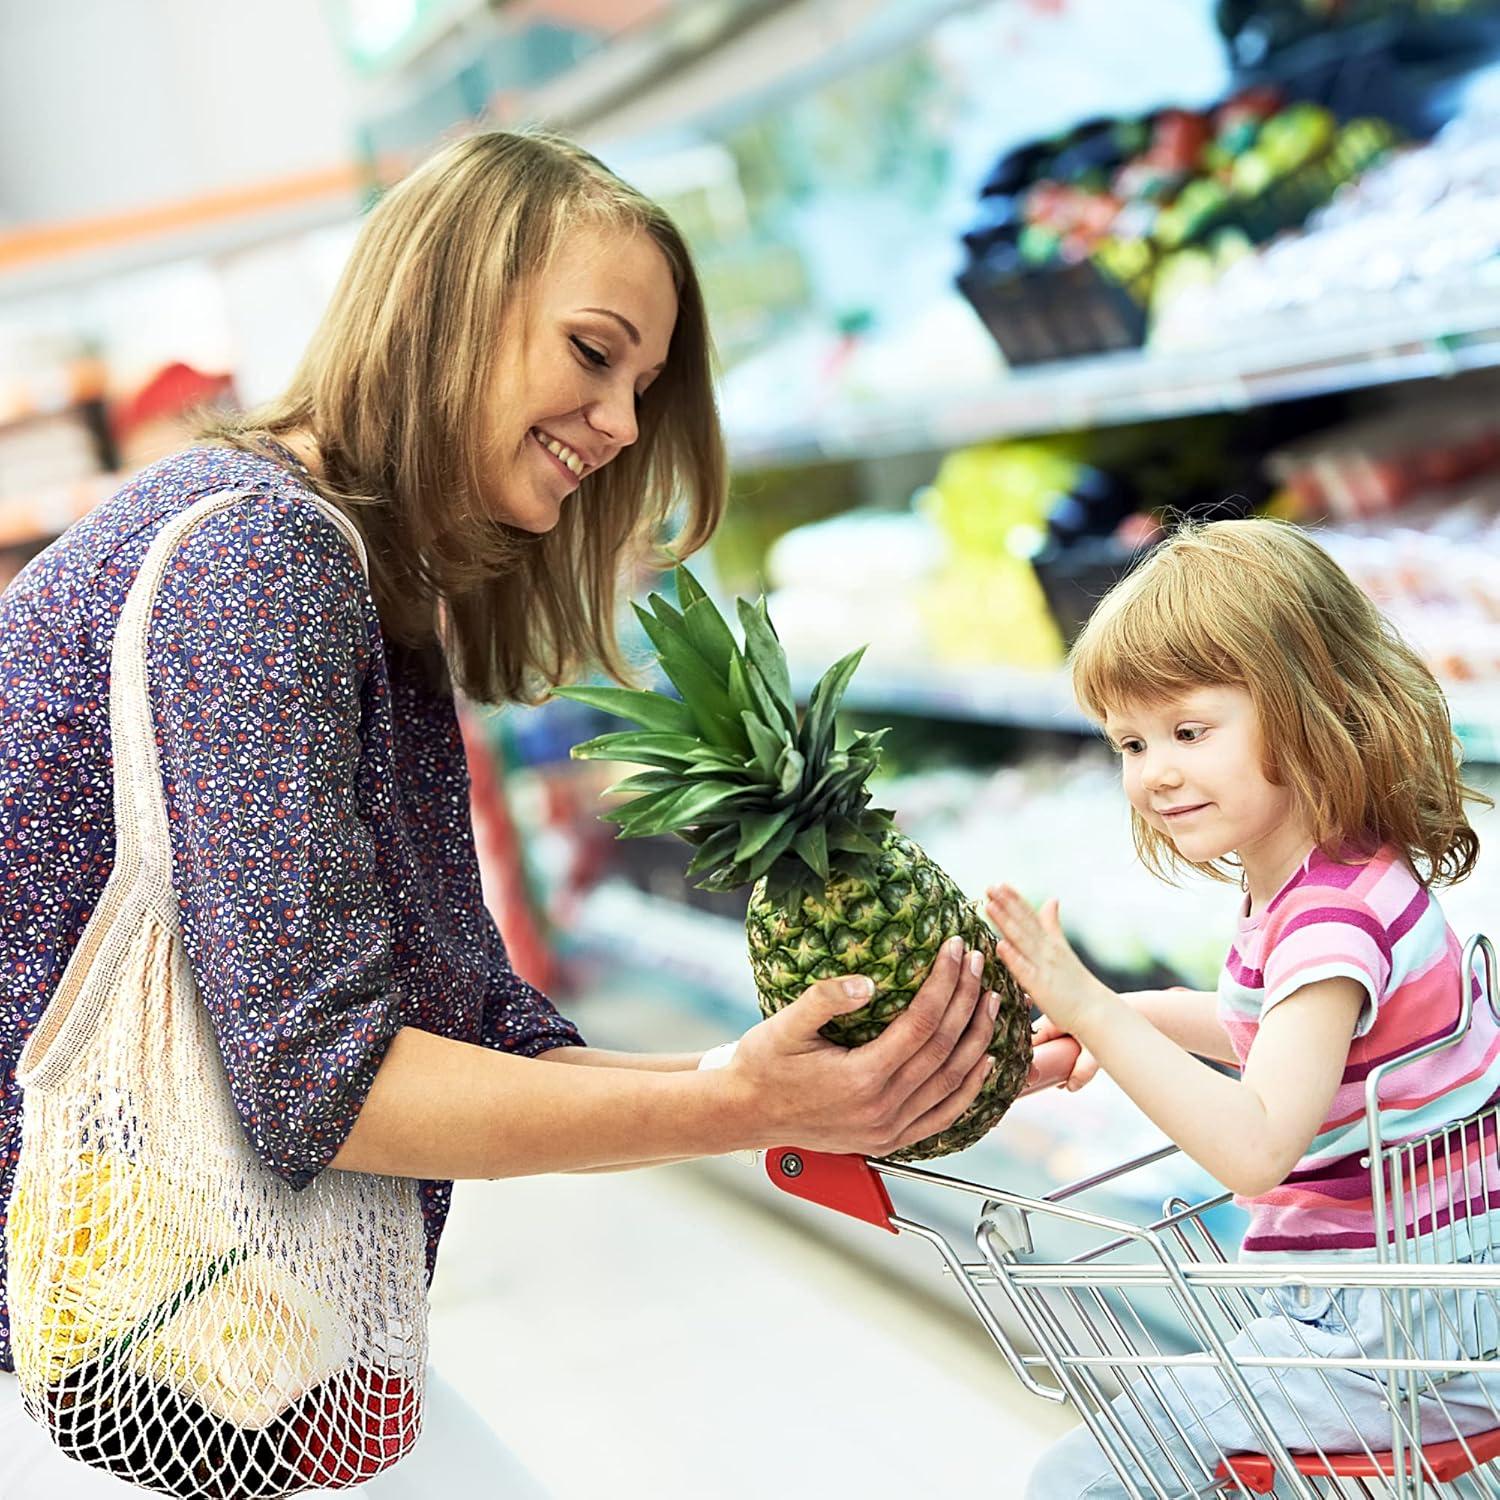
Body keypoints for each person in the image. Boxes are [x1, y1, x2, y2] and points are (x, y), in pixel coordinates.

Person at [0, 129, 999, 1498]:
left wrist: (815, 1092)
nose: (625, 426)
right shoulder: (261, 559)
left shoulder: (344, 566)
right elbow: (326, 1082)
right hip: (102, 1349)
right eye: (594, 354)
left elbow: (465, 1031)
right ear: (452, 298)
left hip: (177, 1333)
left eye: (643, 386)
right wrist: (741, 1107)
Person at [986, 518, 1500, 1499]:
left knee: (1081, 1479)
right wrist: (1125, 1019)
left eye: (1189, 731)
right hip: (1433, 1317)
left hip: (1381, 1349)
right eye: (1130, 742)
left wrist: (1093, 1009)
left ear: (1309, 709)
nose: (1156, 771)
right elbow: (1265, 1024)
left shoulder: (1326, 925)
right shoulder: (1340, 875)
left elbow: (1258, 1146)